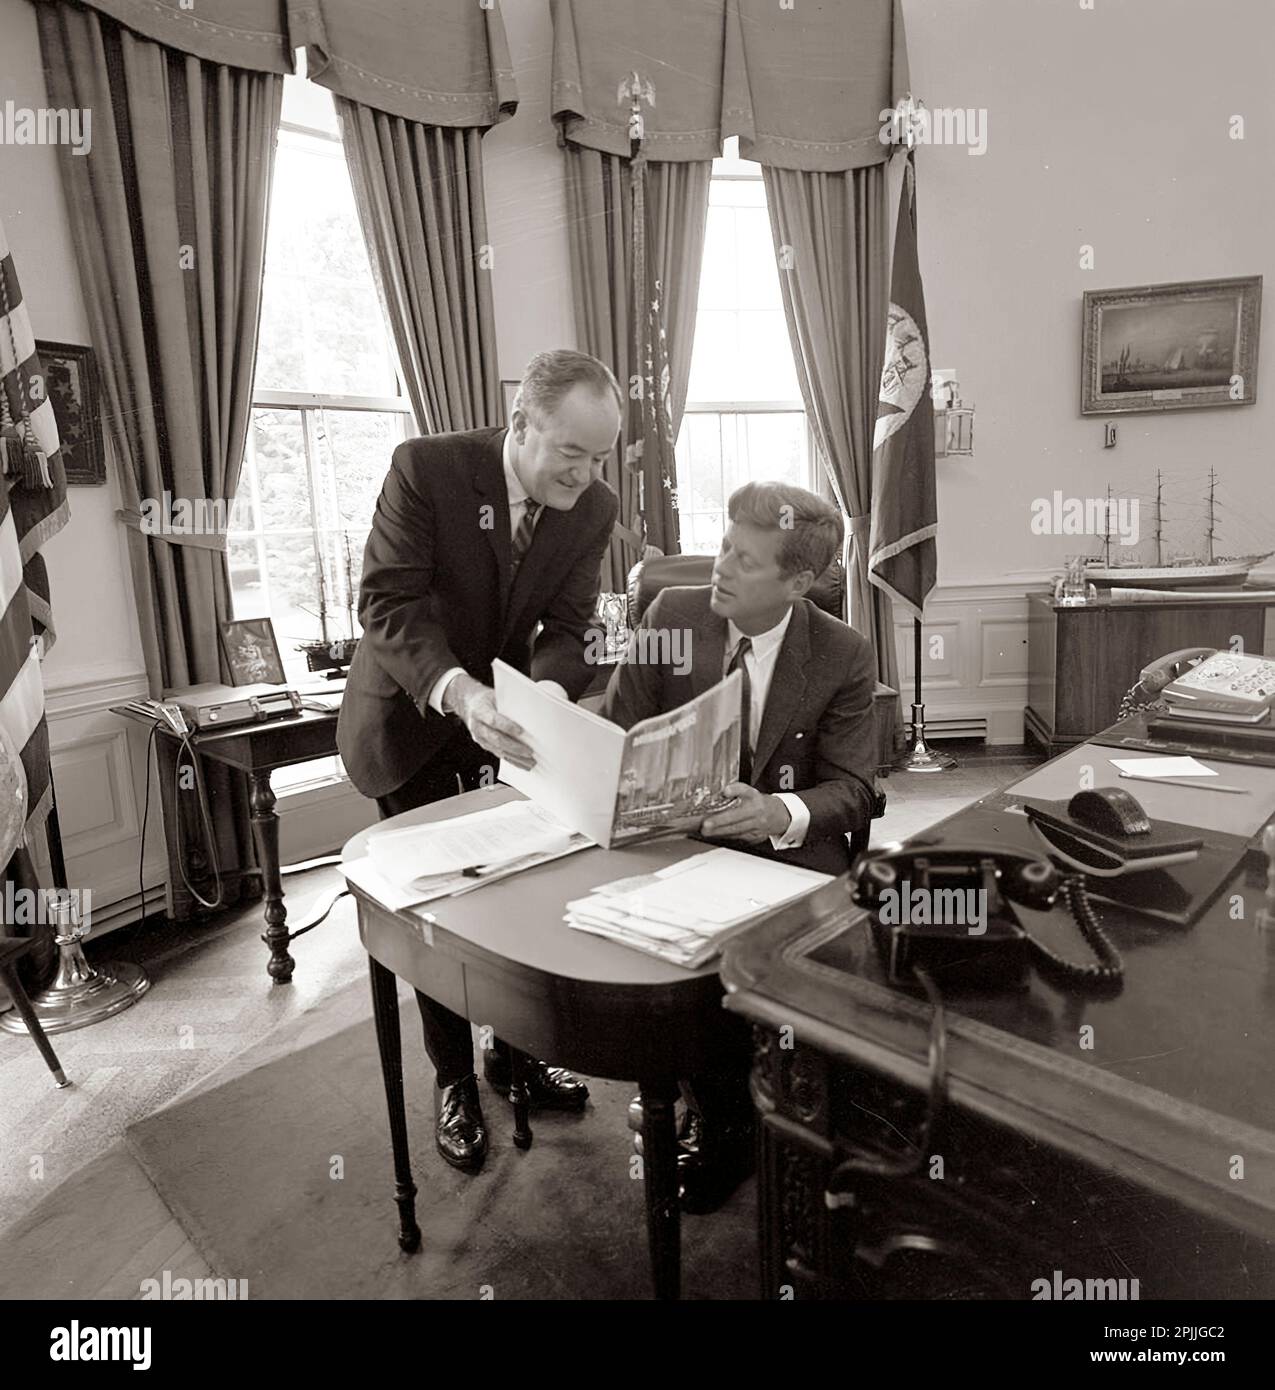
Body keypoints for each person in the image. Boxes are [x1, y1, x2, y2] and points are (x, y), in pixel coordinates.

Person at [338, 349, 621, 1172]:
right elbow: (384, 603)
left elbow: (570, 629)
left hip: (513, 725)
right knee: (439, 916)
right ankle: (456, 1078)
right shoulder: (427, 470)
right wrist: (461, 696)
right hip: (414, 714)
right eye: (571, 453)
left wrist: (552, 696)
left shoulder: (591, 505)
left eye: (599, 456)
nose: (586, 473)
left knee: (518, 893)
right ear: (521, 424)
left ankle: (518, 1054)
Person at [601, 481, 878, 1212]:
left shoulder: (842, 652)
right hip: (673, 843)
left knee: (776, 969)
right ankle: (710, 1103)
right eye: (723, 544)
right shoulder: (671, 613)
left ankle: (755, 1115)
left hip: (783, 855)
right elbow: (617, 733)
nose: (719, 567)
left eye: (744, 560)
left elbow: (855, 791)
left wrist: (774, 812)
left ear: (798, 582)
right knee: (655, 968)